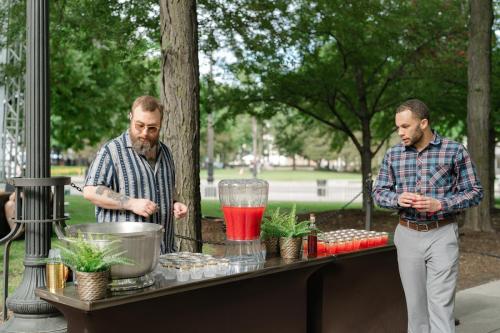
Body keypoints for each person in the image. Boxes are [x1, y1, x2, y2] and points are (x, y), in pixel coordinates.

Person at [372, 99, 483, 333]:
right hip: (407, 234)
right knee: (415, 309)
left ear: (423, 123)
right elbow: (379, 192)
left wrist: (440, 204)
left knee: (441, 308)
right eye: (397, 127)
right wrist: (396, 199)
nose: (400, 132)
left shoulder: (454, 151)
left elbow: (475, 192)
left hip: (442, 234)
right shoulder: (393, 155)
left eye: (405, 126)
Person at [83, 96, 188, 254]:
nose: (144, 133)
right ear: (130, 117)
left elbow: (166, 189)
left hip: (164, 255)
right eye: (139, 126)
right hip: (124, 257)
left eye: (152, 128)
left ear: (161, 125)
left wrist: (175, 203)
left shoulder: (166, 152)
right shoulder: (111, 151)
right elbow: (91, 191)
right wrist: (130, 203)